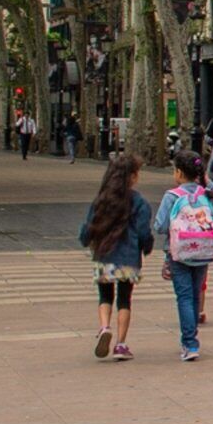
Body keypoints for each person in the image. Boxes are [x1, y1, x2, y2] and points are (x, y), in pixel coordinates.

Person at [78, 150, 158, 361]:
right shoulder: (139, 202)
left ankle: (104, 327)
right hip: (128, 259)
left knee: (105, 296)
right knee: (124, 299)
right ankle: (121, 344)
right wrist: (146, 247)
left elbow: (88, 228)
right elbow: (143, 232)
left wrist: (86, 239)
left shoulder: (101, 200)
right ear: (131, 176)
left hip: (103, 256)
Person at [153, 147, 213, 360]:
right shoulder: (206, 194)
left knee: (183, 296)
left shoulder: (172, 196)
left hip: (179, 253)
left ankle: (190, 343)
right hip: (203, 251)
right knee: (194, 295)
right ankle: (191, 340)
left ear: (179, 173)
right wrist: (208, 183)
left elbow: (160, 226)